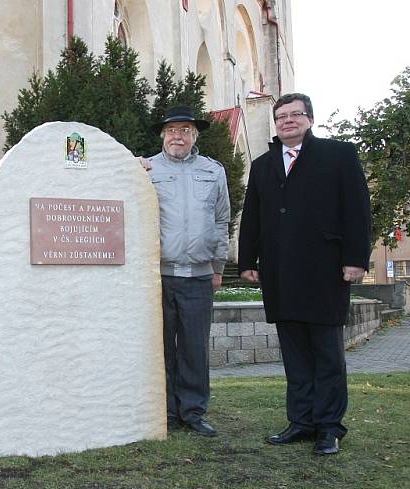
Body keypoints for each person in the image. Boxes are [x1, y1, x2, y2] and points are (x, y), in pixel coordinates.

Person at [237, 93, 371, 455]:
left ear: (310, 119)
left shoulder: (339, 155)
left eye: (296, 115)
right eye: (281, 117)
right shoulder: (262, 165)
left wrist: (357, 258)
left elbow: (358, 210)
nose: (287, 121)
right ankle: (301, 421)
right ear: (275, 123)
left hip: (325, 271)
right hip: (280, 273)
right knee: (295, 355)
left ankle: (329, 427)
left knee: (327, 354)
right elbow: (252, 216)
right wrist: (247, 260)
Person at [145, 106, 230, 437]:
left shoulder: (213, 171)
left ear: (195, 135)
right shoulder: (146, 169)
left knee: (194, 347)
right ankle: (165, 411)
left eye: (184, 130)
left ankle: (193, 411)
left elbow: (222, 219)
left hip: (198, 275)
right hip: (158, 276)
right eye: (170, 130)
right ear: (163, 136)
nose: (177, 135)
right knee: (161, 346)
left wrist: (218, 266)